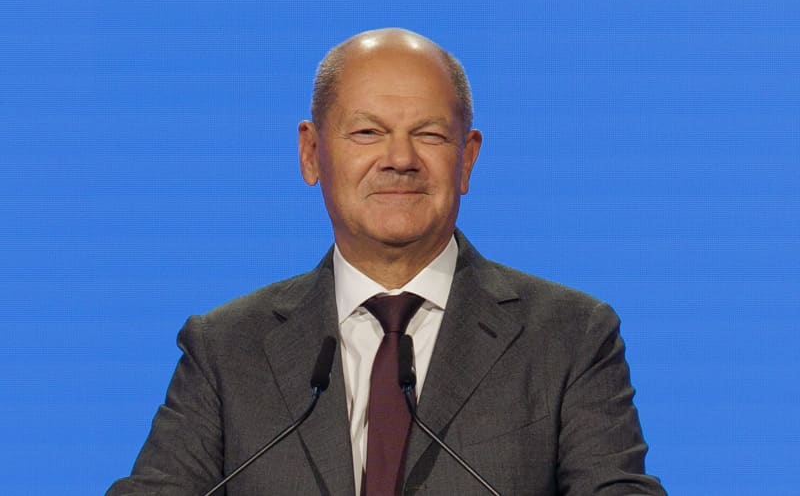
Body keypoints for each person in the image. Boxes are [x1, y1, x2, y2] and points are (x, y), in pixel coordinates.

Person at [107, 28, 666, 495]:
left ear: (467, 160)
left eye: (428, 134)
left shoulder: (569, 337)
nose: (400, 160)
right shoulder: (227, 349)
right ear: (311, 153)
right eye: (368, 132)